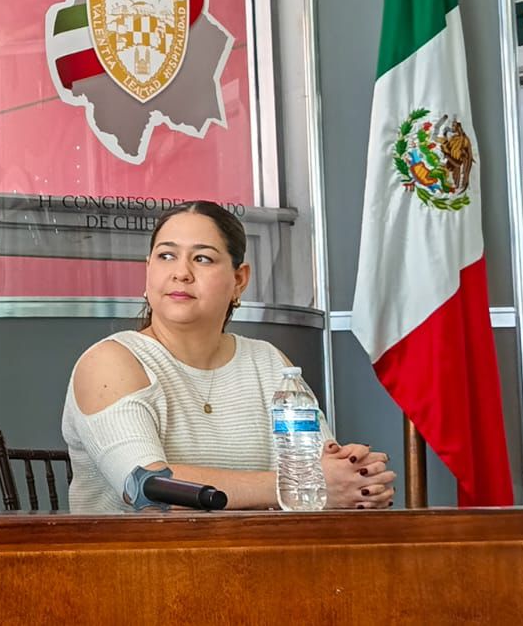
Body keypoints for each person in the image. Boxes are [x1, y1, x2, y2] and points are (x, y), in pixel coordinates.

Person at [62, 201, 396, 513]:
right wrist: (297, 487)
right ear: (148, 270)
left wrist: (356, 478)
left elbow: (321, 470)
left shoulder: (268, 363)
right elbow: (147, 487)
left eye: (202, 259)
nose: (181, 273)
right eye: (166, 256)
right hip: (137, 556)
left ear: (239, 280)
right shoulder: (110, 362)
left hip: (261, 553)